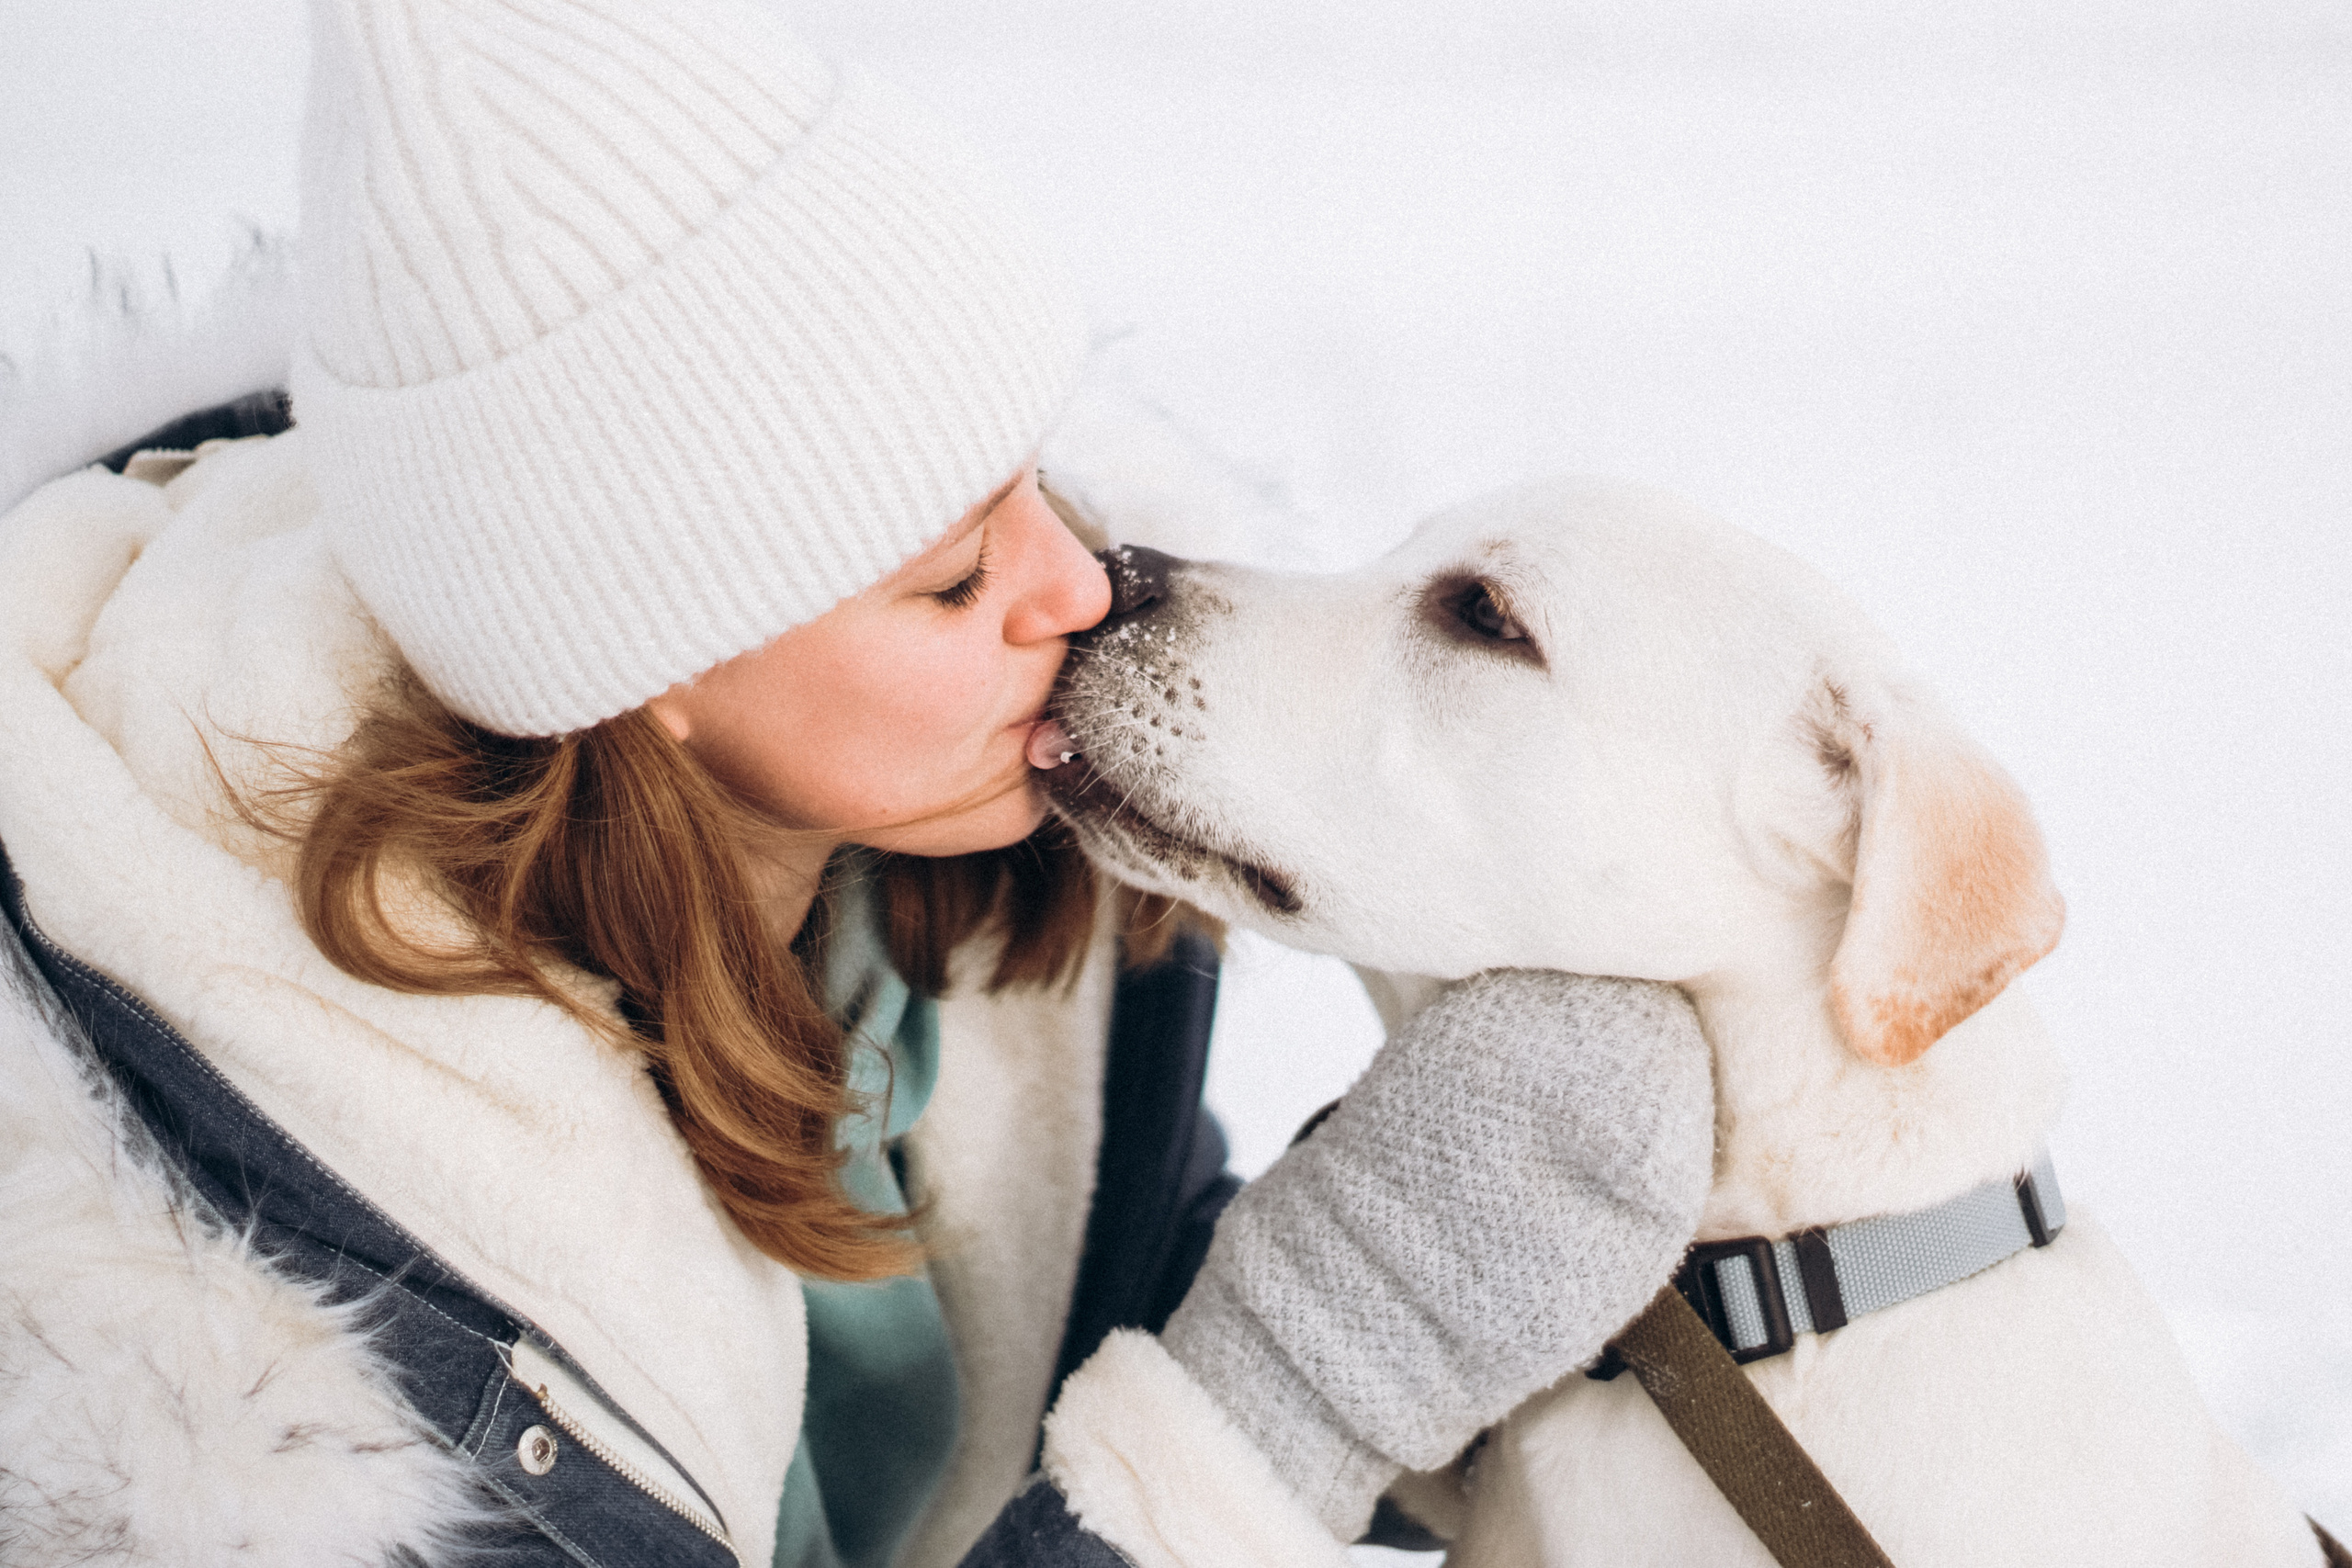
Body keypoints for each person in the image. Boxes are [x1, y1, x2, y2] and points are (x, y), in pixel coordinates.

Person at [0, 2, 1714, 1564]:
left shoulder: (921, 882)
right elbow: (1253, 1394)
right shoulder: (298, 1280)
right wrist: (1287, 1392)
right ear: (645, 658)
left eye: (1035, 483)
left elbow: (1083, 1321)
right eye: (953, 581)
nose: (1087, 589)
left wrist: (1467, 1279)